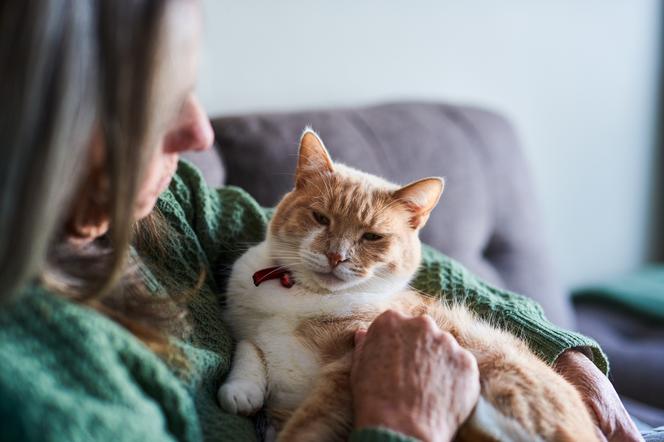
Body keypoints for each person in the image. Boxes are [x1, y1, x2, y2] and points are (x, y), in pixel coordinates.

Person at [0, 1, 647, 441]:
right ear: (36, 117)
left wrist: (569, 355)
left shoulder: (165, 202)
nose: (198, 131)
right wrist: (402, 421)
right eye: (156, 101)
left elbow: (425, 278)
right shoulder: (39, 375)